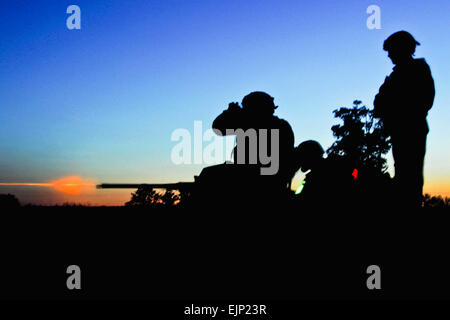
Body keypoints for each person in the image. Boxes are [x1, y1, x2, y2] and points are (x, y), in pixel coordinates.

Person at [374, 31, 435, 208]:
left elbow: (425, 100)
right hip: (399, 131)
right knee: (402, 174)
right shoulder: (395, 75)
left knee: (411, 178)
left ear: (402, 49)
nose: (389, 55)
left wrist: (396, 109)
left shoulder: (418, 69)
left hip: (412, 130)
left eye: (391, 51)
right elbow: (379, 101)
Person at [208, 91, 295, 203]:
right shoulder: (282, 125)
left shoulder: (249, 124)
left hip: (255, 182)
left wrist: (230, 113)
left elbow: (218, 128)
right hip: (269, 182)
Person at [292, 140, 356, 208]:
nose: (300, 162)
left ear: (309, 157)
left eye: (302, 157)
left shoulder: (317, 176)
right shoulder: (324, 169)